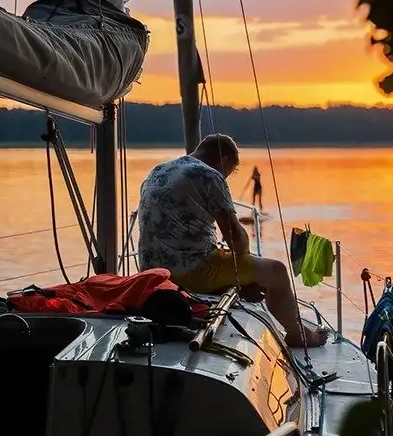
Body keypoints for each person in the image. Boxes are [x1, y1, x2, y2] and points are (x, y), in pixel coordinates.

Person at [136, 133, 327, 347]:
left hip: (152, 273)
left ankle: (233, 286)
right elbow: (236, 240)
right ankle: (297, 333)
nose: (225, 178)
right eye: (227, 173)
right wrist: (244, 256)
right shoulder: (209, 175)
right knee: (277, 271)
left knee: (232, 266)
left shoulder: (158, 170)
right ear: (224, 161)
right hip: (191, 272)